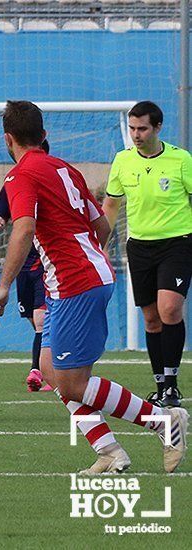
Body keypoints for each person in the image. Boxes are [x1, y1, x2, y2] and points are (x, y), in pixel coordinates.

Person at [0, 100, 187, 474]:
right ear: (43, 136)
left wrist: (4, 285)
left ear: (8, 139)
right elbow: (99, 225)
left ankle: (162, 421)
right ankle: (109, 451)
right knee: (51, 370)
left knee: (73, 382)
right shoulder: (65, 168)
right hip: (89, 275)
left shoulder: (20, 176)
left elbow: (25, 228)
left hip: (74, 282)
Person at [102, 101, 192, 408]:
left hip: (177, 243)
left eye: (142, 128)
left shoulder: (180, 159)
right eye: (132, 128)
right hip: (139, 247)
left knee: (170, 310)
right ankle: (159, 384)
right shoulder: (123, 161)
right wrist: (99, 244)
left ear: (157, 128)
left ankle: (172, 384)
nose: (136, 135)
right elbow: (112, 205)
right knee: (152, 320)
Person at [0, 140, 52, 393]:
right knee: (33, 319)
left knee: (41, 318)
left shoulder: (51, 177)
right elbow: (3, 209)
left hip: (45, 259)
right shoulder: (15, 178)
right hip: (23, 262)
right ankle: (50, 366)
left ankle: (38, 371)